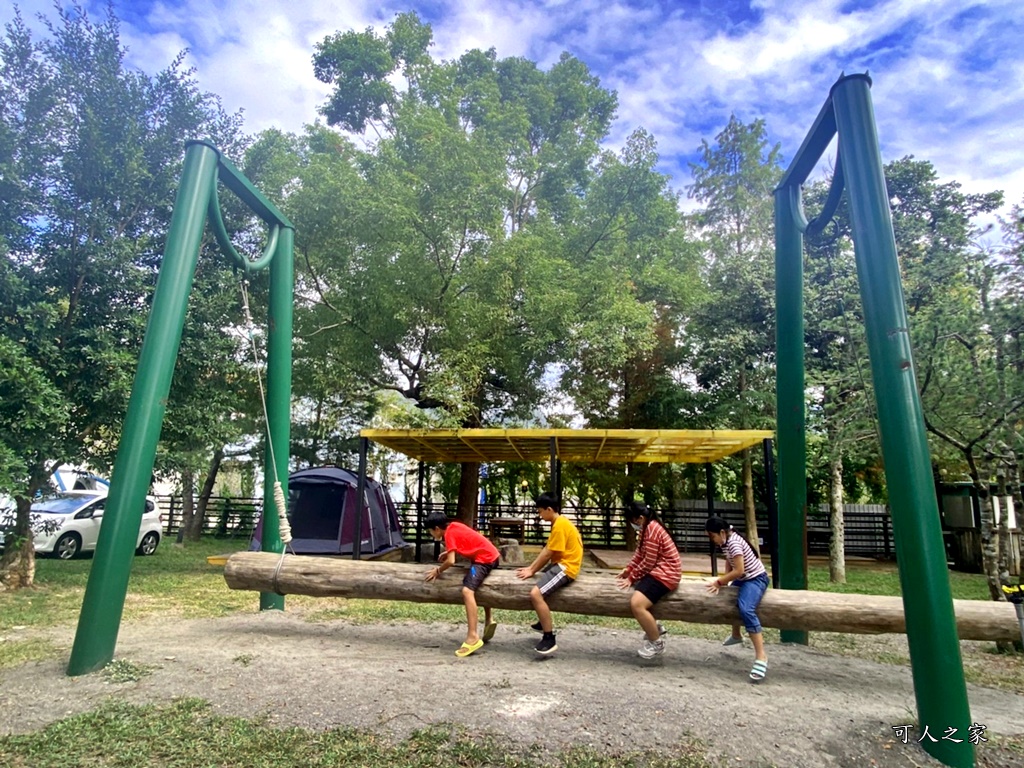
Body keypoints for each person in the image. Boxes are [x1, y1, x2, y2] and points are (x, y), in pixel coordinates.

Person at [423, 512, 501, 658]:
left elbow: (451, 561)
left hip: (484, 559)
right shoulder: (454, 526)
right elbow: (466, 540)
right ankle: (489, 619)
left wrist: (438, 571)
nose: (431, 534)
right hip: (492, 555)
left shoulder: (449, 535)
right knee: (478, 587)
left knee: (467, 591)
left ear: (437, 529)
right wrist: (448, 551)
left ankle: (473, 637)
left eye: (431, 531)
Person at [515, 492, 583, 655]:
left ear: (549, 509)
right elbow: (547, 550)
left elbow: (548, 553)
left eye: (540, 511)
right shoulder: (559, 522)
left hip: (567, 567)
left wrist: (531, 570)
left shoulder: (559, 525)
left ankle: (549, 638)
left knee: (535, 594)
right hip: (561, 564)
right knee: (539, 583)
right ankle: (542, 620)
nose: (539, 515)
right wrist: (531, 568)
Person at [705, 515, 770, 682]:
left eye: (712, 536)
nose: (712, 540)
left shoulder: (734, 542)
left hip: (755, 578)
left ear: (721, 532)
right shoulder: (726, 541)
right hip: (744, 578)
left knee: (746, 608)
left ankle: (761, 656)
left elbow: (739, 570)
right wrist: (726, 580)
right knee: (731, 601)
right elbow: (731, 563)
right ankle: (736, 635)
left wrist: (719, 582)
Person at [615, 501, 682, 659]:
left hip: (667, 574)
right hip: (659, 571)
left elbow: (648, 561)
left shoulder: (652, 529)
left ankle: (656, 643)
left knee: (637, 604)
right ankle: (655, 627)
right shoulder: (647, 528)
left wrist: (632, 578)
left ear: (640, 518)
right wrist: (629, 569)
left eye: (632, 521)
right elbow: (640, 553)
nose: (632, 524)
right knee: (641, 593)